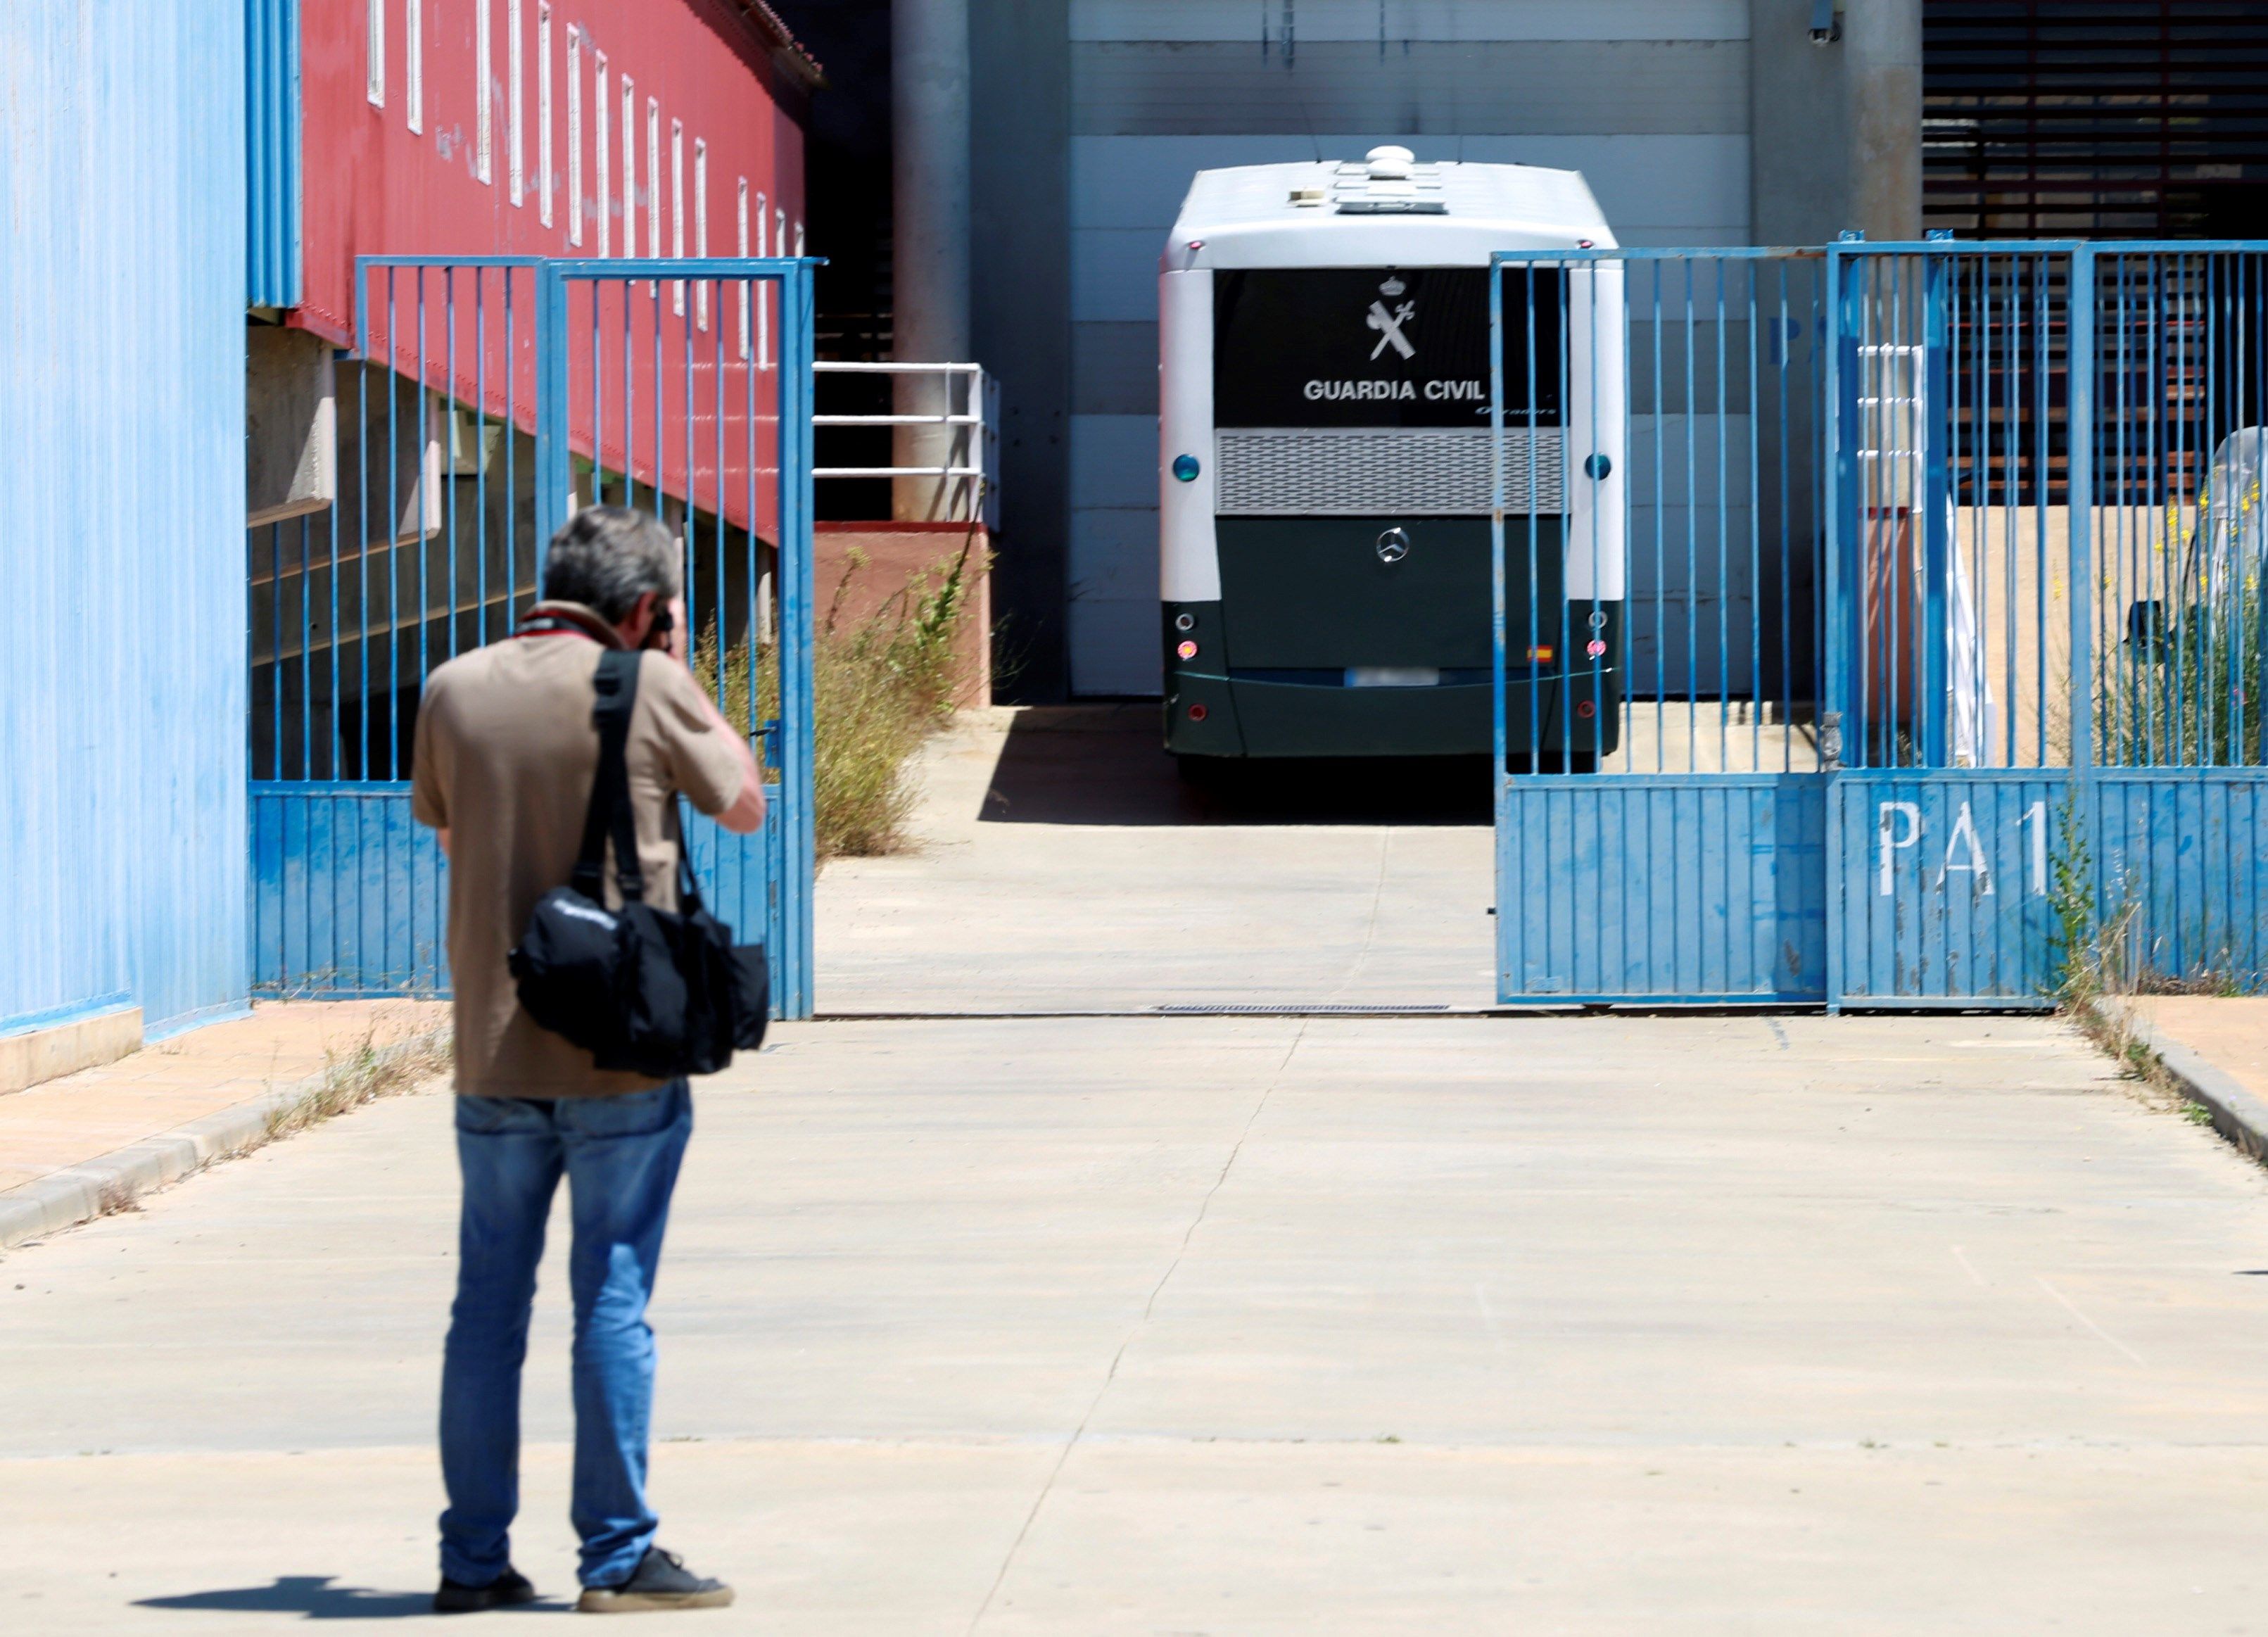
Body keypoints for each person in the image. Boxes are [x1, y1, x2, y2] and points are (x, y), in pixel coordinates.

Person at [410, 507, 766, 1614]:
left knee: (485, 1310)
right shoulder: (649, 685)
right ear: (648, 608)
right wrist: (674, 676)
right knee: (611, 1299)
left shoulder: (452, 686)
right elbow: (745, 805)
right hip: (621, 1058)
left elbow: (454, 832)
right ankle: (615, 1558)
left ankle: (472, 1562)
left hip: (493, 1052)